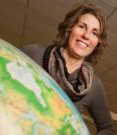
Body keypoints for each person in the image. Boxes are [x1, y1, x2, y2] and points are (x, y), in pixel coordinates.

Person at [20, 3, 115, 135]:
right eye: (82, 27)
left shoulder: (93, 85)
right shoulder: (33, 53)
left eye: (94, 33)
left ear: (97, 42)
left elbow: (107, 128)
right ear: (70, 28)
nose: (86, 36)